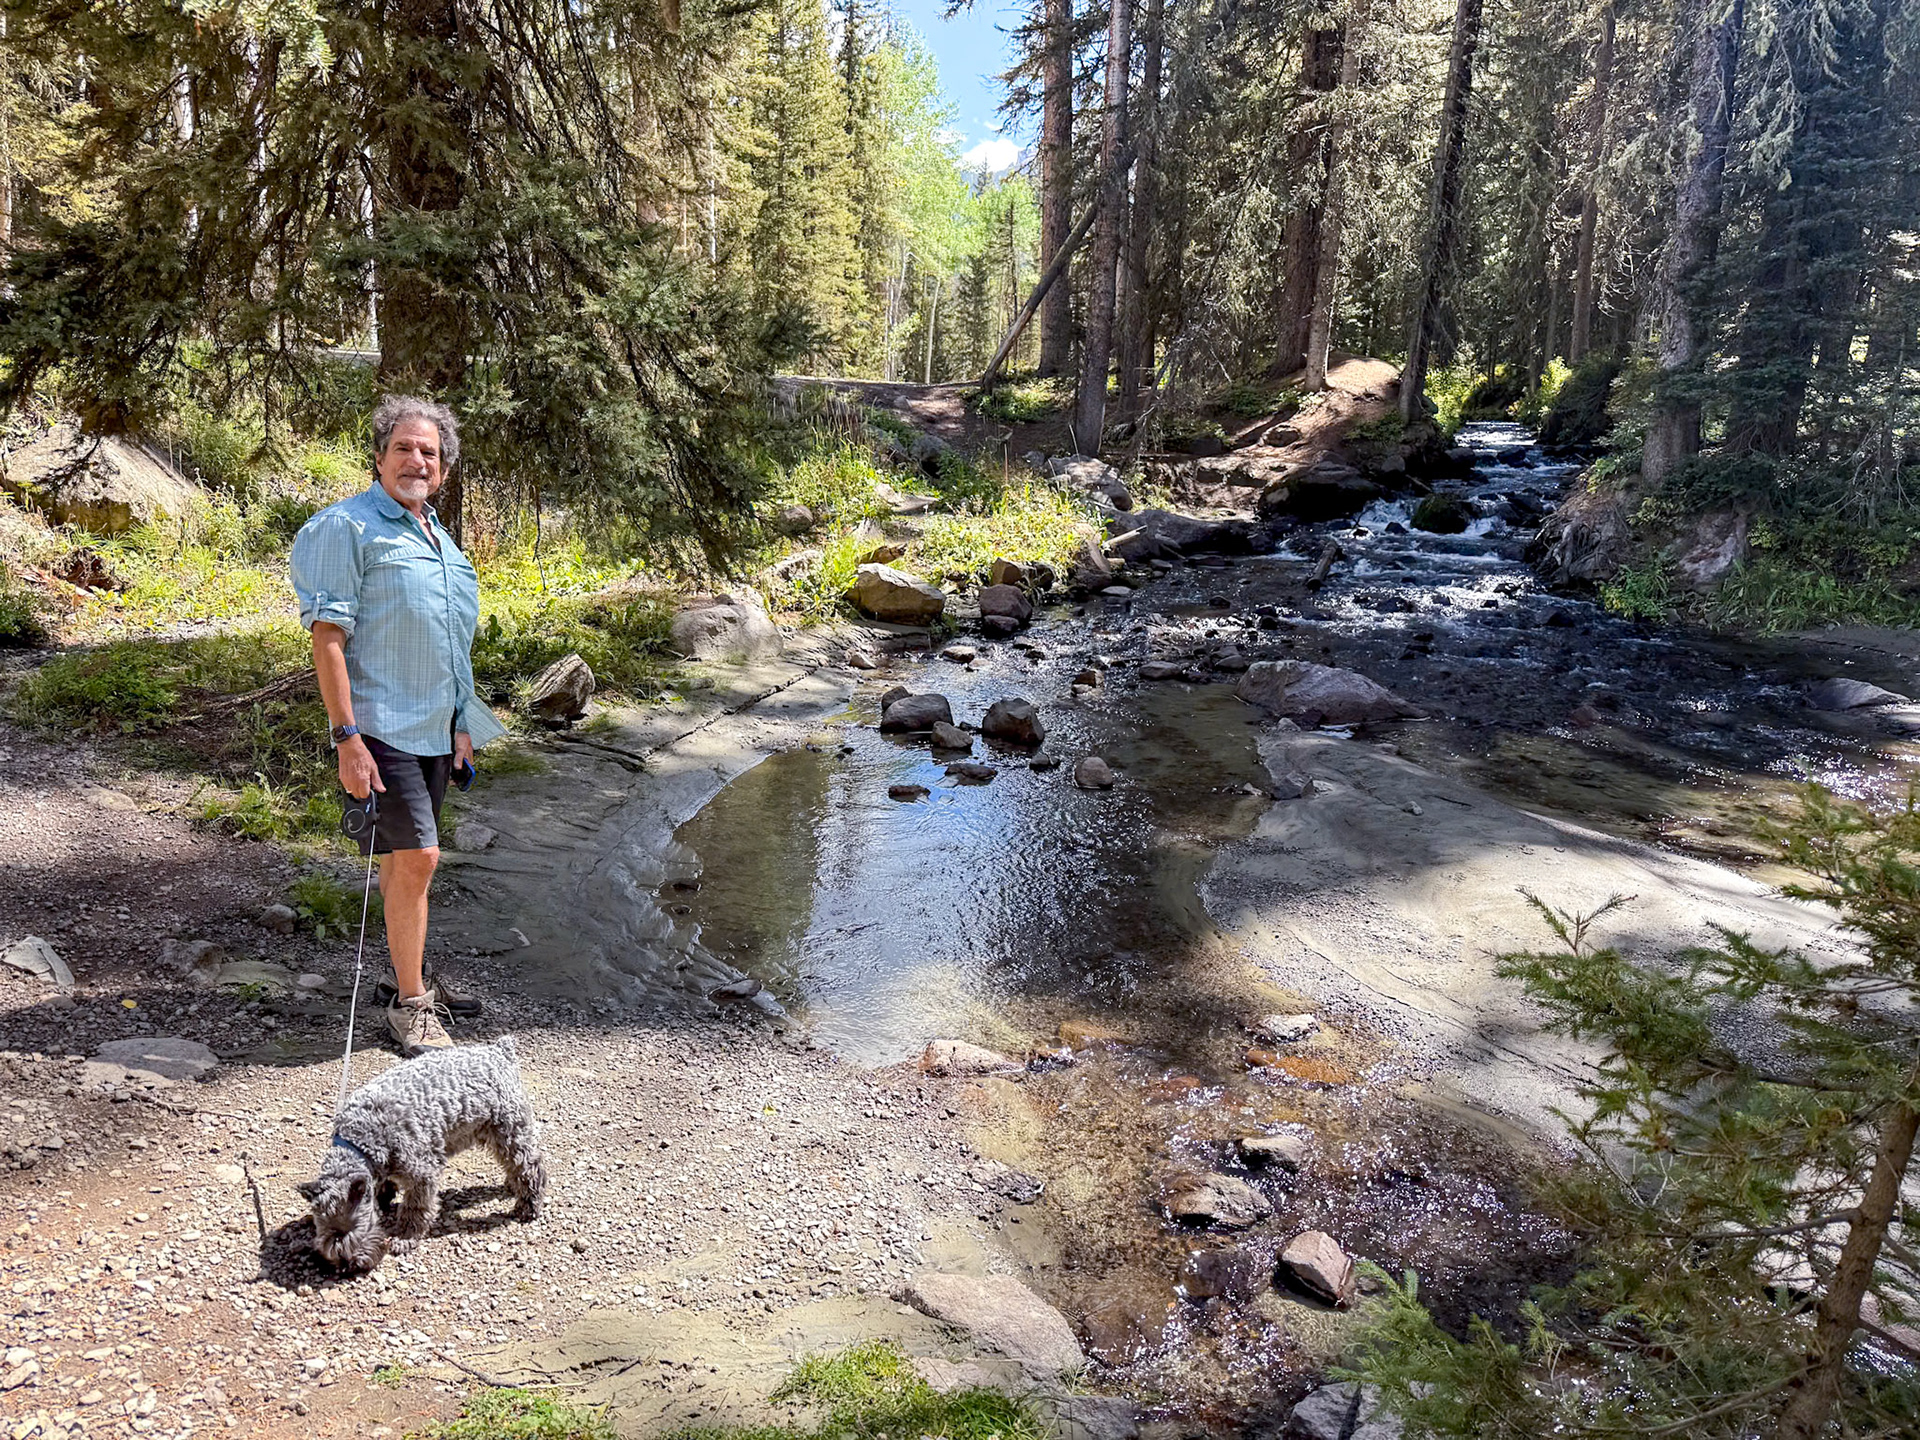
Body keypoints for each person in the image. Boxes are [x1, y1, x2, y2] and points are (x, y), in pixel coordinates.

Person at [290, 395, 507, 1055]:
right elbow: (327, 639)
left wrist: (463, 723)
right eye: (406, 448)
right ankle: (411, 1008)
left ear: (443, 469)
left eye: (430, 453)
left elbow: (451, 643)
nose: (418, 460)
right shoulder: (346, 528)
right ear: (379, 456)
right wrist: (346, 738)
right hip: (378, 726)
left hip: (434, 729)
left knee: (401, 866)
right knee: (418, 858)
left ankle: (401, 975)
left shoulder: (438, 537)